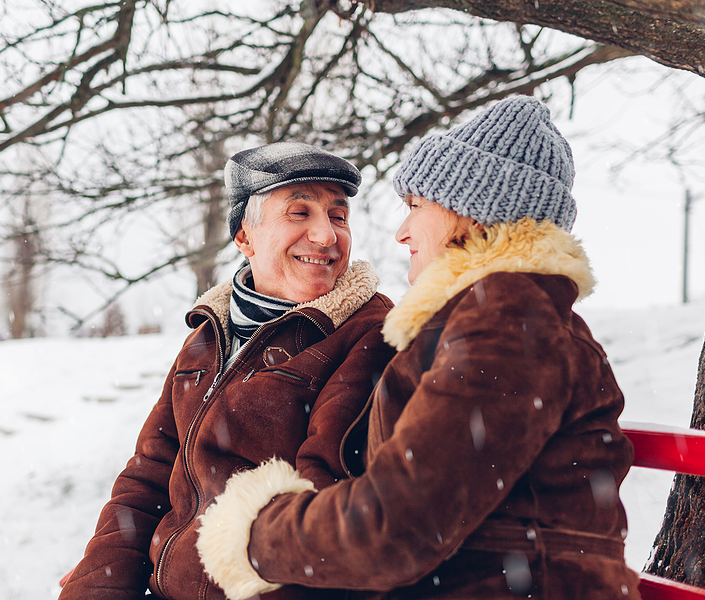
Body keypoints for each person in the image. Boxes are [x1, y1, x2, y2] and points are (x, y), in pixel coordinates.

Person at [197, 96, 643, 599]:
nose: (401, 231)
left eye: (416, 207)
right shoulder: (490, 318)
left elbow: (398, 524)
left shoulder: (509, 322)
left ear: (470, 216)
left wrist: (253, 533)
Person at [58, 142, 395, 600]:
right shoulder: (206, 337)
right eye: (300, 212)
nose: (326, 236)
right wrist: (96, 585)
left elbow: (327, 503)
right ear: (244, 237)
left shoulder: (369, 335)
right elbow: (149, 477)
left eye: (338, 216)